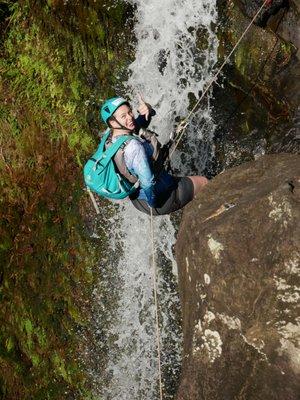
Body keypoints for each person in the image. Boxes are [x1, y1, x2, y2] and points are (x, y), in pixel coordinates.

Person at [100, 95, 208, 216]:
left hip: (137, 199)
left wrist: (148, 110)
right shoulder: (134, 148)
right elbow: (147, 183)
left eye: (130, 112)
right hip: (160, 198)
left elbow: (138, 125)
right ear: (112, 122)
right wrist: (153, 203)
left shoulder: (111, 137)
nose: (130, 117)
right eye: (123, 116)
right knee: (204, 182)